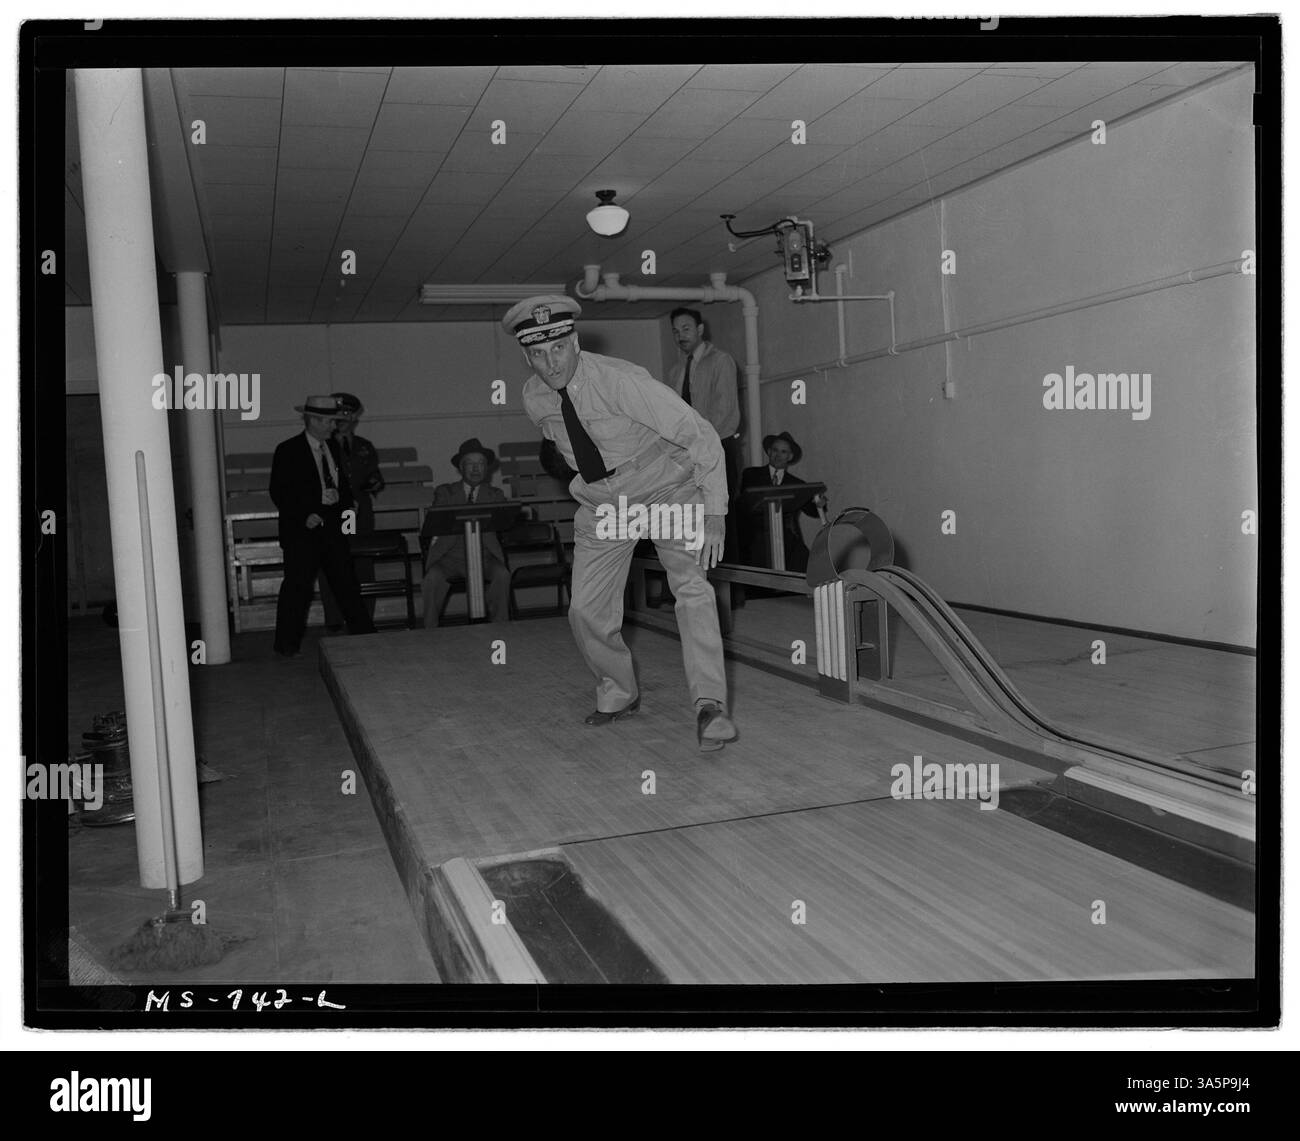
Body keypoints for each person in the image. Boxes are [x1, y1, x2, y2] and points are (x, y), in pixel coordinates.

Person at [508, 294, 737, 752]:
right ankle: (619, 692)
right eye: (538, 354)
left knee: (691, 588)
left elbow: (699, 432)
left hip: (665, 487)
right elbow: (567, 445)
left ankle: (709, 705)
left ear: (573, 342)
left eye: (557, 349)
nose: (551, 363)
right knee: (585, 609)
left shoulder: (621, 381)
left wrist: (714, 510)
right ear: (527, 356)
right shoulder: (533, 397)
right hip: (604, 504)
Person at [269, 394, 376, 657]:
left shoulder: (334, 448)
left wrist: (348, 504)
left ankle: (365, 635)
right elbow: (279, 491)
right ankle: (286, 646)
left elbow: (341, 485)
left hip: (331, 528)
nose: (334, 426)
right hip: (301, 532)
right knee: (297, 587)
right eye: (329, 421)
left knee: (346, 582)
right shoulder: (288, 450)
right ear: (314, 420)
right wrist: (304, 514)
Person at [667, 307, 743, 562]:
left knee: (721, 518)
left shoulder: (721, 361)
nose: (680, 336)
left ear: (700, 330)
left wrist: (699, 447)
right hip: (689, 456)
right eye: (676, 331)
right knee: (693, 519)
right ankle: (702, 586)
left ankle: (730, 597)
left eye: (686, 329)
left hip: (717, 449)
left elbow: (724, 413)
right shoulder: (676, 371)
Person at [419, 437, 512, 626]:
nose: (476, 468)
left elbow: (504, 522)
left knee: (502, 575)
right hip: (450, 558)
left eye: (481, 464)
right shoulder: (445, 492)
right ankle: (428, 632)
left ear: (487, 468)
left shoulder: (495, 495)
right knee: (432, 578)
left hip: (485, 558)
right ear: (460, 468)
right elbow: (437, 519)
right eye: (470, 464)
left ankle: (501, 627)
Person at [320, 391, 386, 629]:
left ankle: (364, 619)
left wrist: (375, 481)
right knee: (331, 563)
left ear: (355, 417)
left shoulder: (364, 447)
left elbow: (372, 475)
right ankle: (335, 621)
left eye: (348, 413)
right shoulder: (321, 446)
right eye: (339, 413)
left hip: (360, 513)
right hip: (333, 512)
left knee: (363, 563)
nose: (343, 418)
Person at [738, 431, 829, 575]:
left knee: (802, 574)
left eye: (783, 451)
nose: (778, 455)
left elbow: (811, 510)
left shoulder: (796, 484)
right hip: (757, 543)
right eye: (775, 450)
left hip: (788, 543)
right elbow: (744, 503)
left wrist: (819, 505)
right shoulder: (751, 475)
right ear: (768, 452)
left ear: (790, 457)